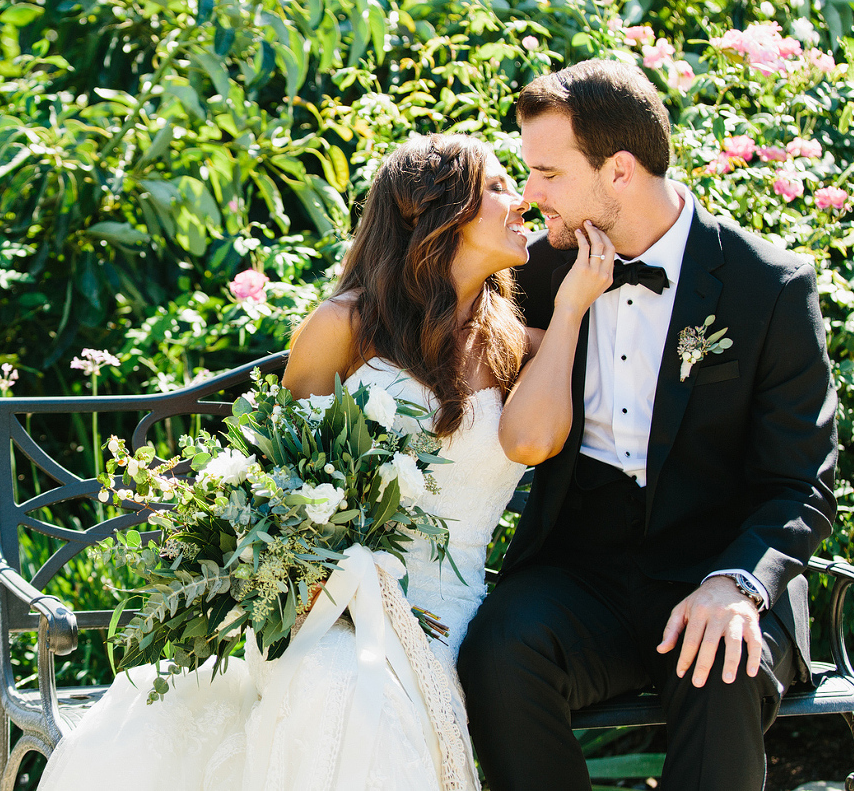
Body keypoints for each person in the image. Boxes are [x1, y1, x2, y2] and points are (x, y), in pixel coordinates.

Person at [37, 133, 612, 791]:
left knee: (354, 683)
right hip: (322, 602)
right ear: (431, 213)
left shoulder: (515, 340)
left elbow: (533, 444)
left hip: (447, 617)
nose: (520, 203)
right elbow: (283, 475)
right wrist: (294, 575)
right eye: (497, 188)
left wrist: (569, 310)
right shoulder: (344, 325)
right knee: (335, 675)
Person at [457, 59, 838, 791]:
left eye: (547, 173)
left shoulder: (768, 286)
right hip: (580, 568)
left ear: (620, 171)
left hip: (717, 561)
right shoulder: (533, 272)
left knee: (719, 663)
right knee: (497, 652)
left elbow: (801, 482)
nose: (529, 194)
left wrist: (736, 584)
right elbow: (423, 311)